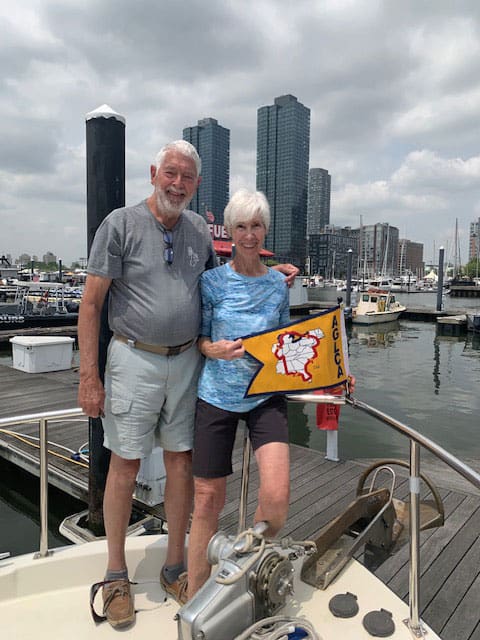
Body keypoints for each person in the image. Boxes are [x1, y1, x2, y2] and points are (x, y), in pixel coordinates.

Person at [77, 142, 298, 629]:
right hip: (133, 357)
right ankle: (116, 576)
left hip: (186, 365)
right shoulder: (120, 224)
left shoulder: (199, 228)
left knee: (180, 463)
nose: (177, 184)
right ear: (154, 173)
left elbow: (225, 285)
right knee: (124, 463)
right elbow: (91, 304)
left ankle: (177, 566)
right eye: (170, 174)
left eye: (187, 178)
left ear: (197, 186)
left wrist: (270, 275)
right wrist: (89, 376)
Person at [187, 189, 291, 599]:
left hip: (266, 394)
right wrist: (212, 348)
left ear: (266, 230)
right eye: (242, 227)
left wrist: (333, 377)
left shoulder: (279, 285)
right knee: (208, 500)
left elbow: (288, 344)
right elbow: (199, 339)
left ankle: (247, 575)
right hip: (216, 395)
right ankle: (195, 595)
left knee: (277, 498)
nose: (249, 235)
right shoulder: (211, 282)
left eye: (257, 226)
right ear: (229, 232)